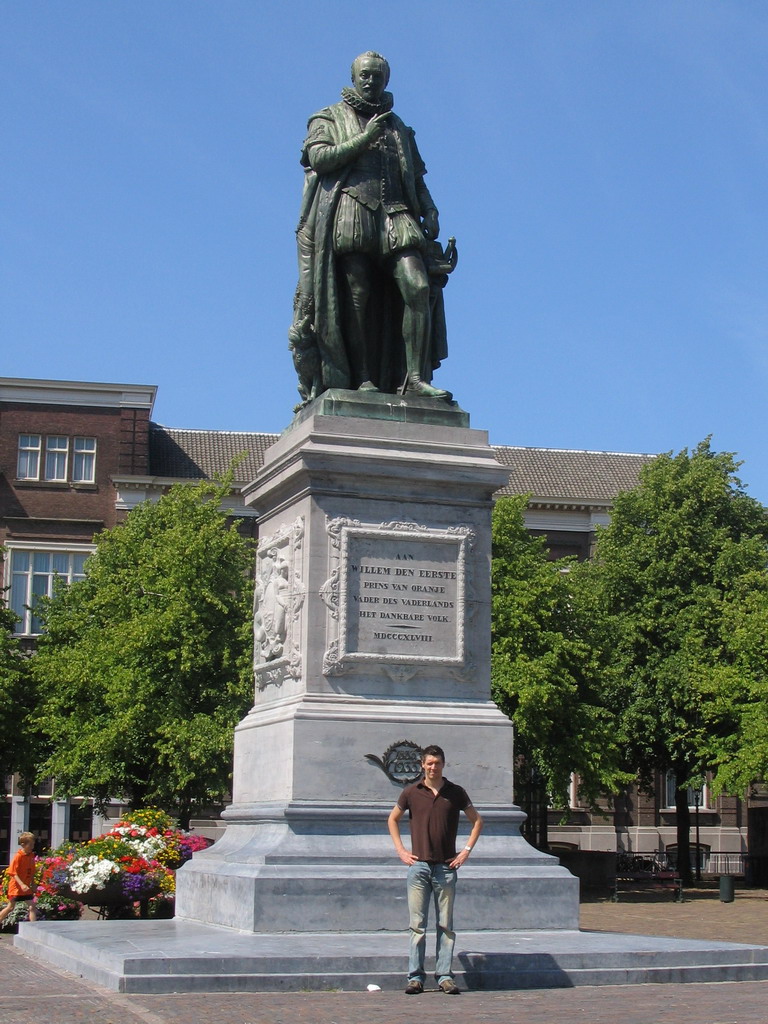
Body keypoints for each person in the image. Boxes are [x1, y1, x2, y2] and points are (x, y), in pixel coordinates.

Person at [289, 52, 453, 405]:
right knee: (356, 297)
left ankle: (415, 378)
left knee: (417, 285)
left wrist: (429, 208)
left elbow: (417, 179)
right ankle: (362, 377)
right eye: (364, 75)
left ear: (386, 81)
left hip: (396, 212)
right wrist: (364, 139)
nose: (370, 81)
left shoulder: (398, 127)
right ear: (353, 76)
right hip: (352, 207)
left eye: (377, 76)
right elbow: (319, 159)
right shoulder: (327, 117)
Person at [388, 745, 483, 994]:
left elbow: (477, 821)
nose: (433, 767)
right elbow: (392, 819)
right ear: (422, 765)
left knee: (445, 925)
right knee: (417, 925)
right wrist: (401, 850)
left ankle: (444, 976)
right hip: (418, 867)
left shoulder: (456, 792)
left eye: (437, 763)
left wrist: (466, 851)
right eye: (429, 763)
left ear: (443, 764)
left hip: (446, 867)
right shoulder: (411, 792)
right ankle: (415, 977)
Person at [0, 831, 38, 926]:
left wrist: (33, 883)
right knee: (10, 907)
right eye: (30, 845)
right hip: (16, 888)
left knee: (32, 906)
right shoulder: (18, 856)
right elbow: (13, 872)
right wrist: (21, 884)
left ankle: (34, 928)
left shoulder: (31, 856)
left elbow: (32, 871)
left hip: (25, 888)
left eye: (33, 844)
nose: (32, 847)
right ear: (23, 844)